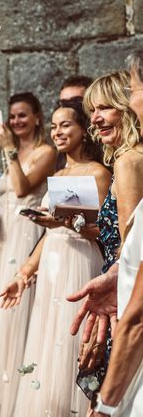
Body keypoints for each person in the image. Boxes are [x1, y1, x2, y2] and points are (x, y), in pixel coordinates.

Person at [0, 100, 110, 416]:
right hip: (52, 264)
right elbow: (51, 235)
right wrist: (24, 273)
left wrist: (66, 222)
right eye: (54, 126)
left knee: (69, 340)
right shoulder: (59, 172)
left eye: (65, 125)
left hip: (79, 262)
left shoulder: (98, 173)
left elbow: (105, 231)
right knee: (46, 343)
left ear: (83, 130)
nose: (57, 132)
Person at [0, 92, 57, 417]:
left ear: (37, 117)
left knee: (19, 317)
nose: (16, 121)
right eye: (12, 116)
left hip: (26, 241)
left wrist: (9, 149)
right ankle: (1, 398)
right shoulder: (11, 151)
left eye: (23, 115)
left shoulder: (46, 152)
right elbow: (1, 205)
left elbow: (22, 189)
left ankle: (21, 402)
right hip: (5, 242)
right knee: (1, 320)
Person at [67, 71, 143, 405]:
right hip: (122, 281)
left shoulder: (129, 161)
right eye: (91, 110)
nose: (95, 119)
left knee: (110, 394)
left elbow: (132, 244)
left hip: (125, 287)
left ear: (126, 108)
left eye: (104, 108)